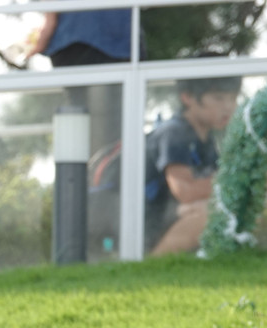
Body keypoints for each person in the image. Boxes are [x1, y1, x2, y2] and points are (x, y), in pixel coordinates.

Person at [144, 74, 241, 255]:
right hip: (146, 228)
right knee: (211, 213)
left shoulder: (206, 138)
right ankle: (153, 265)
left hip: (172, 217)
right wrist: (241, 177)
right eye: (218, 98)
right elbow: (186, 192)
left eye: (233, 98)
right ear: (187, 97)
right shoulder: (174, 133)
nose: (228, 106)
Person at [29, 4, 136, 153]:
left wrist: (37, 43)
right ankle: (107, 167)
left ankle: (92, 169)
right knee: (114, 124)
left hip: (75, 40)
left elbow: (51, 18)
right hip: (118, 40)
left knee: (81, 121)